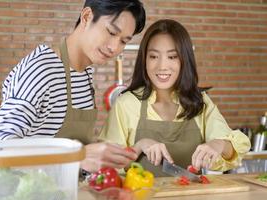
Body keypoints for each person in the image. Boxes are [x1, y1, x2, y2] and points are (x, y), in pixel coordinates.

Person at [0, 0, 146, 173]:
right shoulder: (41, 70)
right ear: (86, 17)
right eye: (111, 32)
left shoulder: (84, 74)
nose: (114, 47)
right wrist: (78, 156)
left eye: (123, 41)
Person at [99, 19, 251, 177]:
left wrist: (218, 144)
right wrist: (139, 146)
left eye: (172, 57)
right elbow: (105, 165)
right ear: (144, 60)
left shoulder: (200, 101)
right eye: (153, 56)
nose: (162, 66)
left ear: (184, 60)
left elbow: (236, 150)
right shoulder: (126, 104)